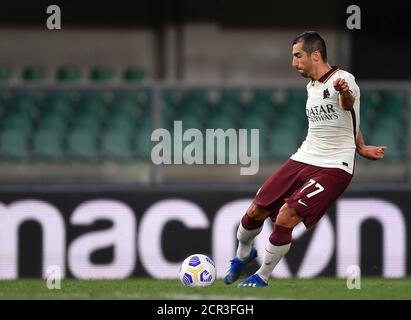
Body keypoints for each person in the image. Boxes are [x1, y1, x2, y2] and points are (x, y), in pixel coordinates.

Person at [224, 31, 387, 287]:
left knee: (286, 216)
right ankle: (242, 256)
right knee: (255, 210)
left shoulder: (343, 79)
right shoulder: (311, 86)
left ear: (316, 55)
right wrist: (362, 145)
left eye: (297, 56)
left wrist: (344, 93)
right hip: (304, 157)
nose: (294, 62)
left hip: (334, 167)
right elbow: (346, 123)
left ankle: (262, 276)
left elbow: (348, 106)